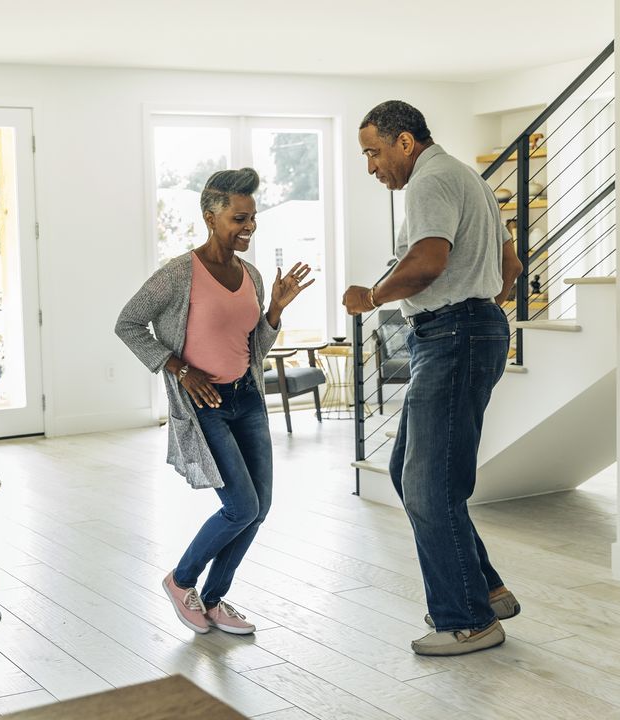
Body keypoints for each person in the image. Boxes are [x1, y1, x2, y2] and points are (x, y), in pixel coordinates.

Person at [344, 100, 523, 656]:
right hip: (468, 331)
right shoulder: (468, 178)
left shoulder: (428, 181)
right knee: (408, 471)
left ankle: (467, 619)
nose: (372, 167)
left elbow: (427, 261)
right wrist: (477, 311)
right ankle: (485, 589)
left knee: (426, 484)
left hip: (452, 338)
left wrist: (369, 297)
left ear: (404, 142)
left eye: (374, 152)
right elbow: (510, 268)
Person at [115, 168, 313, 635]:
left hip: (248, 398)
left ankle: (214, 598)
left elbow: (253, 348)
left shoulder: (254, 275)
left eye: (253, 217)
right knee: (241, 506)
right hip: (205, 405)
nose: (249, 227)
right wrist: (180, 368)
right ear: (210, 217)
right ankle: (181, 579)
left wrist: (275, 312)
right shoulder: (178, 275)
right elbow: (127, 323)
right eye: (239, 218)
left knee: (259, 507)